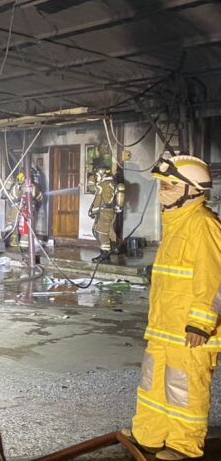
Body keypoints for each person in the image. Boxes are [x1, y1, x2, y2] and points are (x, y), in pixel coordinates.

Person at [122, 154, 221, 460]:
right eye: (163, 184)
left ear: (192, 190)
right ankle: (149, 435)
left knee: (184, 391)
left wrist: (201, 324)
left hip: (190, 332)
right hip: (165, 328)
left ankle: (183, 446)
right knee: (153, 385)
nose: (163, 190)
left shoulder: (204, 225)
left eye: (169, 184)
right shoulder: (176, 224)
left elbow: (214, 280)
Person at [88, 165, 125, 263]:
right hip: (108, 212)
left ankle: (105, 255)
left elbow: (92, 189)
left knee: (101, 233)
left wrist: (91, 178)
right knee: (101, 231)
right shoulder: (112, 183)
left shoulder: (103, 184)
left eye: (97, 174)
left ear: (102, 173)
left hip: (104, 212)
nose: (97, 176)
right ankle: (111, 250)